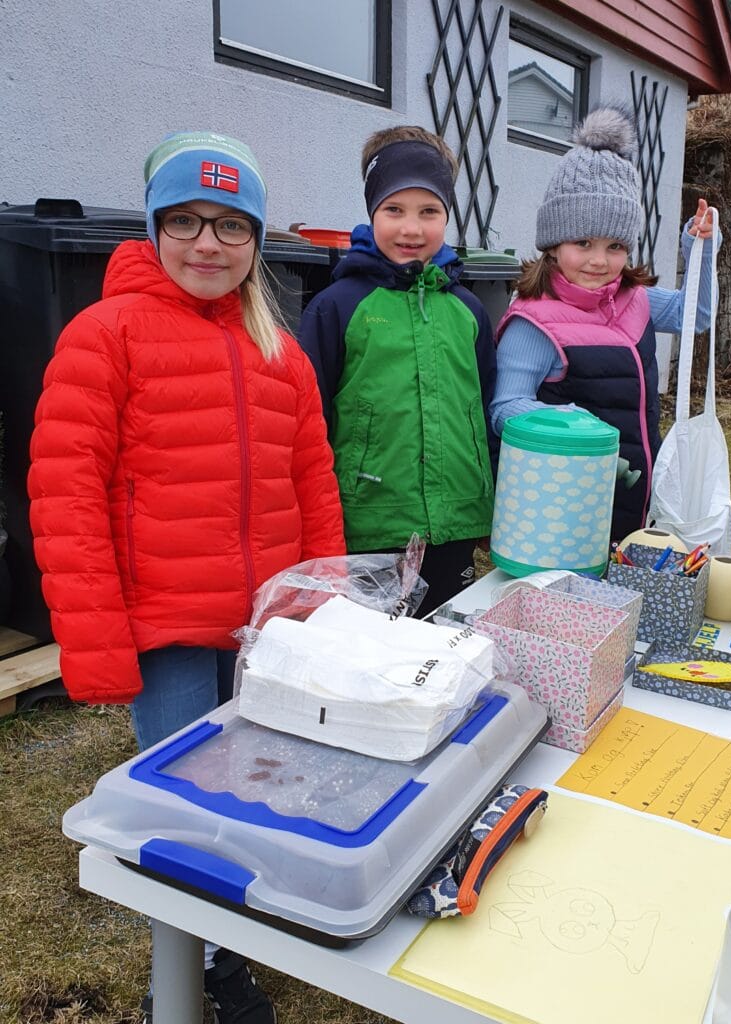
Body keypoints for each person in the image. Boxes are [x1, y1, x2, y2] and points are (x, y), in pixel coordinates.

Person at [28, 130, 346, 1024]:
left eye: (230, 225)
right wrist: (93, 641)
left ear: (255, 239)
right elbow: (65, 493)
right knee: (181, 801)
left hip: (266, 626)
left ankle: (239, 925)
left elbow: (312, 482)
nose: (207, 244)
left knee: (258, 779)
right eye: (186, 221)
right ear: (155, 228)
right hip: (164, 625)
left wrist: (322, 606)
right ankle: (194, 965)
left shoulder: (278, 346)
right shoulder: (107, 335)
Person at [491, 106, 721, 543]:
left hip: (637, 501)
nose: (600, 260)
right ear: (553, 245)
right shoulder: (533, 321)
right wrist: (576, 426)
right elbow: (504, 408)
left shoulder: (634, 300)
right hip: (563, 510)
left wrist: (701, 249)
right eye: (583, 243)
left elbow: (699, 315)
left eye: (615, 246)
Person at [297, 125, 497, 614]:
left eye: (429, 211)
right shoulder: (338, 306)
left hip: (454, 521)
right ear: (371, 214)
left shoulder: (469, 310)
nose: (411, 228)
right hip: (369, 521)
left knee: (445, 645)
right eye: (394, 210)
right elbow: (308, 417)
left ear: (447, 216)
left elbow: (484, 409)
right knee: (374, 653)